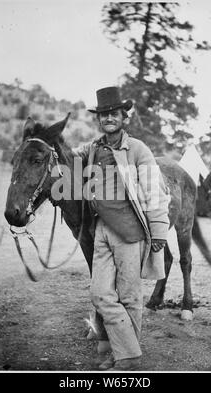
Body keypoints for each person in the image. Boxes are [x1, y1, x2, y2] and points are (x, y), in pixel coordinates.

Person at [75, 87, 170, 371]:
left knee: (129, 296)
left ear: (123, 117)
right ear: (99, 119)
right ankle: (126, 350)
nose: (108, 119)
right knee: (100, 292)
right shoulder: (92, 149)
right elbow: (65, 159)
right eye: (103, 115)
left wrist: (159, 231)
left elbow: (154, 192)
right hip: (101, 229)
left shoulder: (138, 149)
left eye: (113, 114)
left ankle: (126, 356)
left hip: (130, 232)